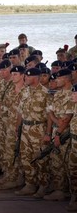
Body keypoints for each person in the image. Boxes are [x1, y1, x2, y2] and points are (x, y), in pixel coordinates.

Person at [15, 68, 52, 196]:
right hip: (25, 128)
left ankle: (43, 185)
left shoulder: (45, 93)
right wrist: (17, 127)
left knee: (41, 158)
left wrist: (48, 133)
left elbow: (49, 116)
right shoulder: (25, 91)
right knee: (26, 157)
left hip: (39, 129)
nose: (25, 78)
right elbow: (20, 111)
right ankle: (30, 184)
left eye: (28, 77)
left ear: (35, 78)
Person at [44, 69, 74, 201]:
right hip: (57, 131)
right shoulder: (57, 94)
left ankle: (67, 191)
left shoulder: (73, 94)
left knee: (68, 164)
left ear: (66, 79)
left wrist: (58, 134)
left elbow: (67, 119)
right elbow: (50, 113)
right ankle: (59, 189)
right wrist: (49, 132)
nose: (55, 80)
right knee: (56, 162)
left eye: (58, 78)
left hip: (66, 134)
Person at [67, 84, 77, 211]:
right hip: (74, 142)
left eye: (75, 94)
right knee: (73, 171)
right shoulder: (74, 107)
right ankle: (74, 197)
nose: (72, 96)